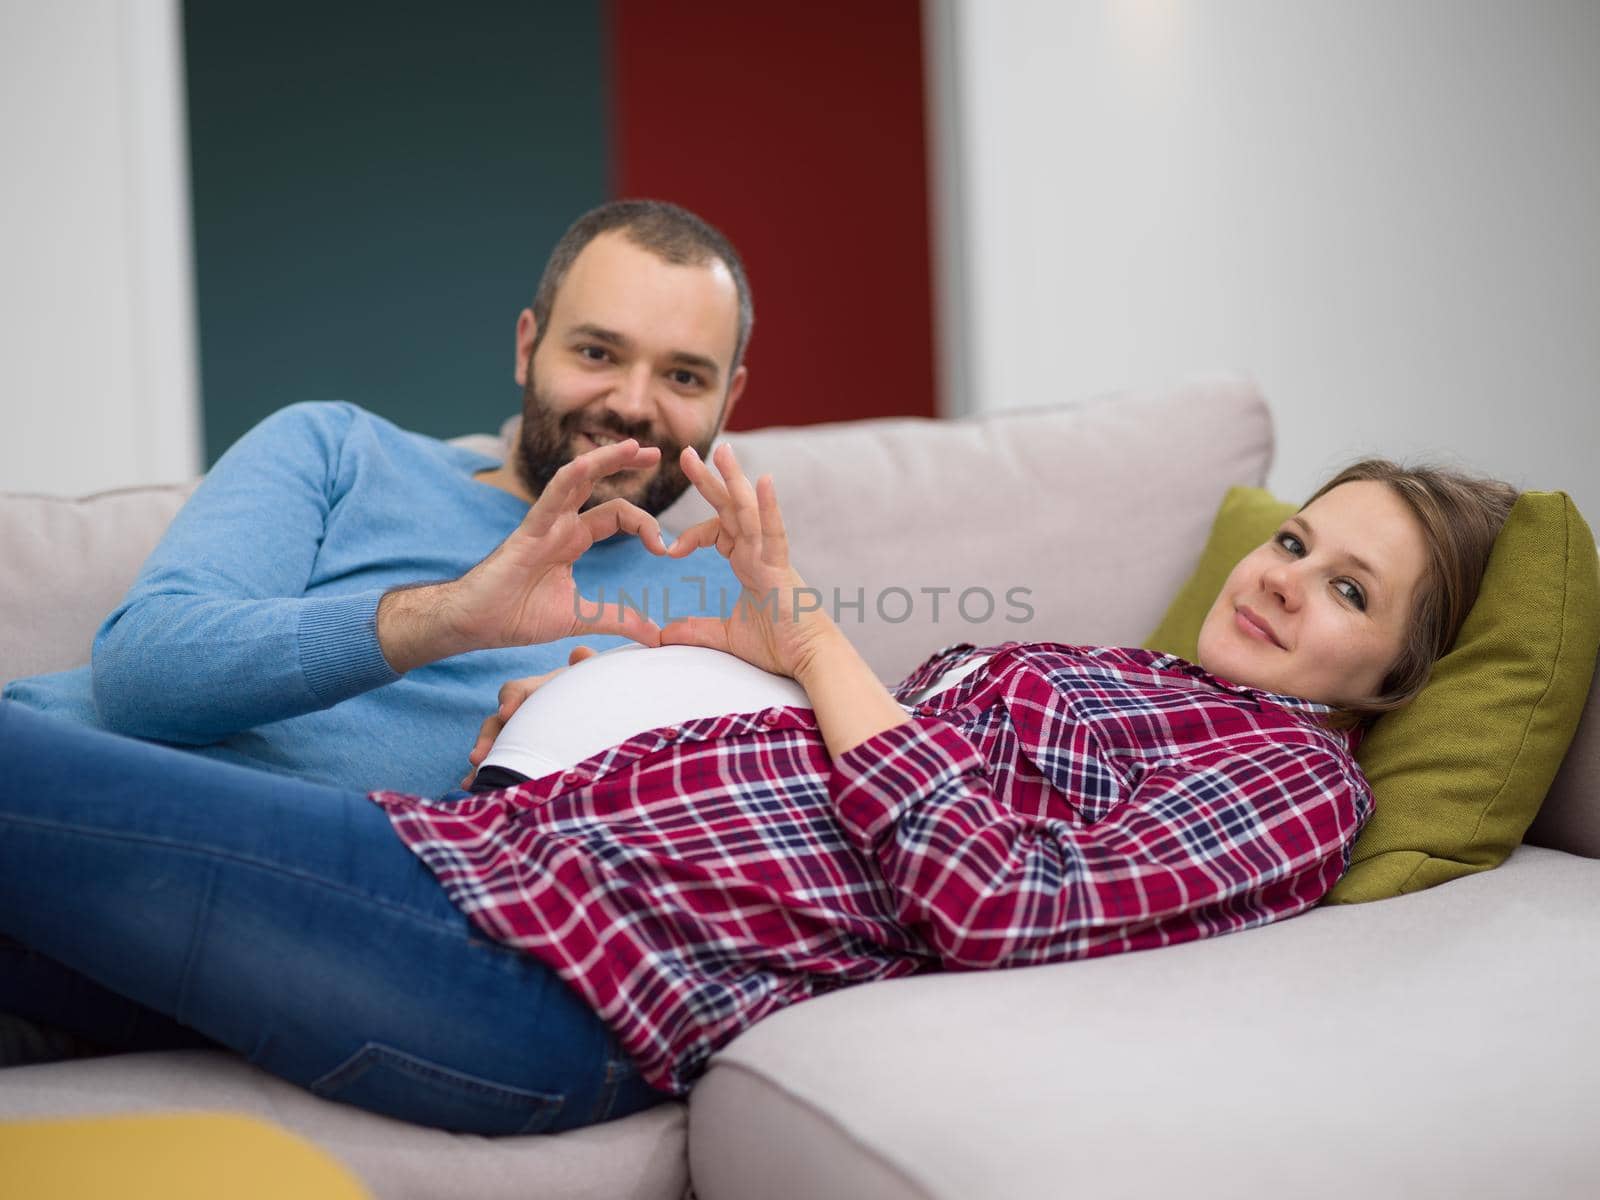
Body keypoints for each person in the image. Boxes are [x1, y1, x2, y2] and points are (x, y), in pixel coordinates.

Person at [0, 442, 1517, 1135]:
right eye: (1296, 541)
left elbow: (991, 899)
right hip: (494, 852)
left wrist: (816, 644)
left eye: (1350, 592)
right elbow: (873, 782)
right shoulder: (1138, 676)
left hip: (550, 971)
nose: (1286, 580)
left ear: (1393, 679)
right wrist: (719, 678)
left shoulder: (1291, 784)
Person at [0, 199, 751, 796]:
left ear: (730, 399)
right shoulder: (336, 450)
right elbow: (141, 676)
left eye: (684, 377)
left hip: (335, 900)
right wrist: (442, 618)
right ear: (528, 347)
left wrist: (587, 734)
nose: (632, 403)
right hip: (57, 776)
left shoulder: (733, 593)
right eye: (596, 352)